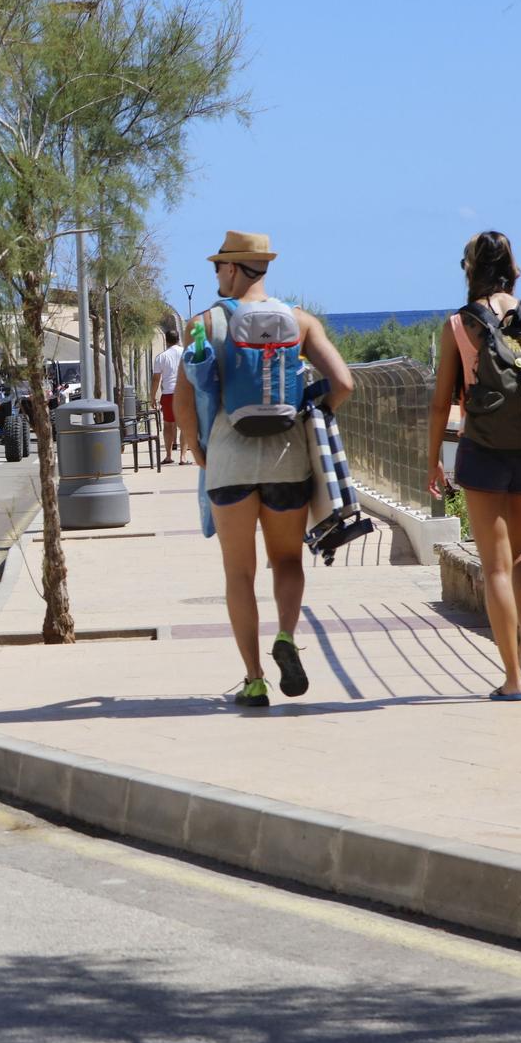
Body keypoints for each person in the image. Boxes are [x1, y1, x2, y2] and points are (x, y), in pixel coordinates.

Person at [175, 231, 355, 709]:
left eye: (218, 267)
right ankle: (287, 638)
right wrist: (309, 410)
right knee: (289, 561)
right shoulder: (299, 321)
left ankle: (254, 680)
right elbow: (344, 383)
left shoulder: (203, 324)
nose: (215, 275)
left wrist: (197, 449)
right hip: (287, 456)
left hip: (229, 458)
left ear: (234, 269)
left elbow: (184, 401)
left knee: (239, 573)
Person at [428, 231, 521, 701]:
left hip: (480, 447)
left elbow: (443, 401)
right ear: (513, 267)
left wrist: (433, 461)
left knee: (495, 567)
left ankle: (513, 679)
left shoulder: (459, 325)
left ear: (470, 269)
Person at [152, 323, 185, 465]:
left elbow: (156, 379)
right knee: (184, 426)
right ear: (178, 339)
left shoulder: (161, 357)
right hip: (184, 393)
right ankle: (183, 457)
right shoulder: (186, 353)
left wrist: (152, 396)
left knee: (168, 425)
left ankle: (168, 455)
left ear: (166, 340)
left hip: (168, 394)